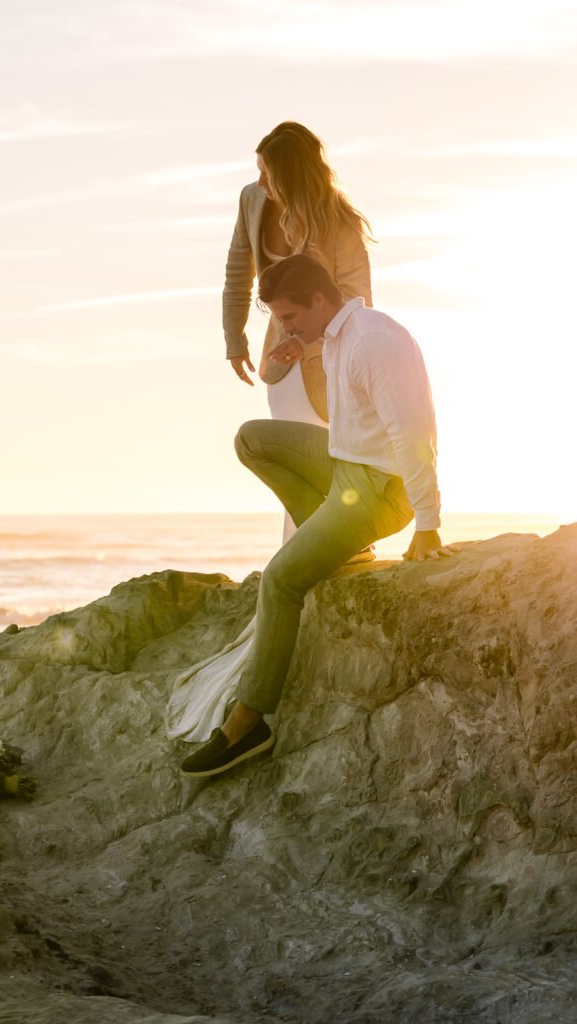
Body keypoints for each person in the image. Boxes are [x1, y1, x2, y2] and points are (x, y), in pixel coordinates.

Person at [181, 255, 456, 778]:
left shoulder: (377, 341)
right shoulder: (336, 335)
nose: (283, 326)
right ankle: (336, 542)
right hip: (344, 464)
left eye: (289, 316)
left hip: (380, 488)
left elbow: (412, 435)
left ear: (320, 299)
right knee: (252, 439)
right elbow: (342, 386)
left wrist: (427, 522)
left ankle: (248, 722)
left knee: (281, 580)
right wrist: (302, 345)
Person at [223, 121, 373, 428]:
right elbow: (238, 272)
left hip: (331, 365)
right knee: (289, 450)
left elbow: (357, 301)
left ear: (290, 177)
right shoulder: (251, 200)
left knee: (328, 457)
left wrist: (307, 344)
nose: (260, 181)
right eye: (259, 170)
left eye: (268, 174)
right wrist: (235, 341)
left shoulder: (340, 223)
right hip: (279, 361)